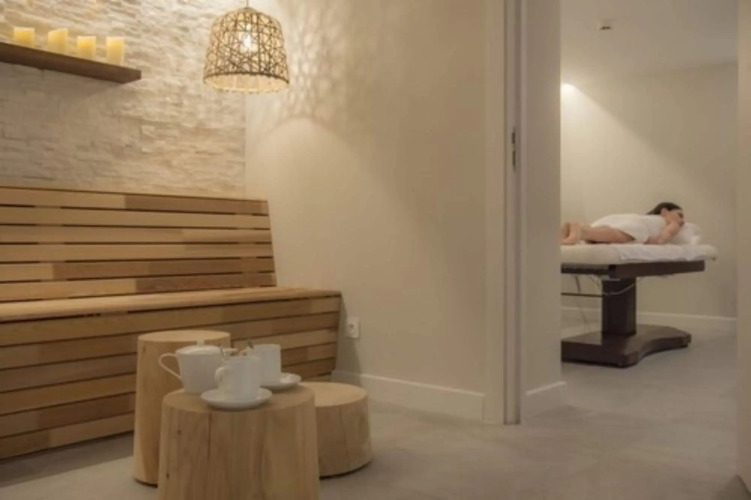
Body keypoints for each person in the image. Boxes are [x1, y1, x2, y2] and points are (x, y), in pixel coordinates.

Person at [560, 202, 685, 246]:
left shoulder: (646, 219)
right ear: (664, 211)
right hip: (637, 226)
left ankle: (577, 228)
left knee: (602, 232)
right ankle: (581, 232)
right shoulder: (670, 223)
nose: (682, 221)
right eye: (680, 215)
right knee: (617, 235)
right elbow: (660, 240)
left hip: (618, 219)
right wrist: (674, 227)